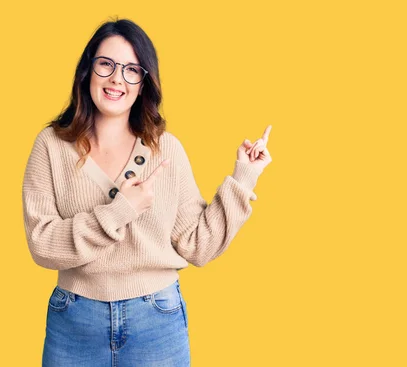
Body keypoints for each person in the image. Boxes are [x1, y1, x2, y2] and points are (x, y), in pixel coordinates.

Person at [21, 18, 272, 366]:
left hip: (156, 319)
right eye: (106, 64)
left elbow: (197, 245)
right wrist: (118, 211)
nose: (116, 79)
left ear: (143, 84)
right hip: (74, 321)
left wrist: (244, 176)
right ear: (87, 71)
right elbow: (42, 243)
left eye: (131, 70)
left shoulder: (165, 150)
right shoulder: (50, 146)